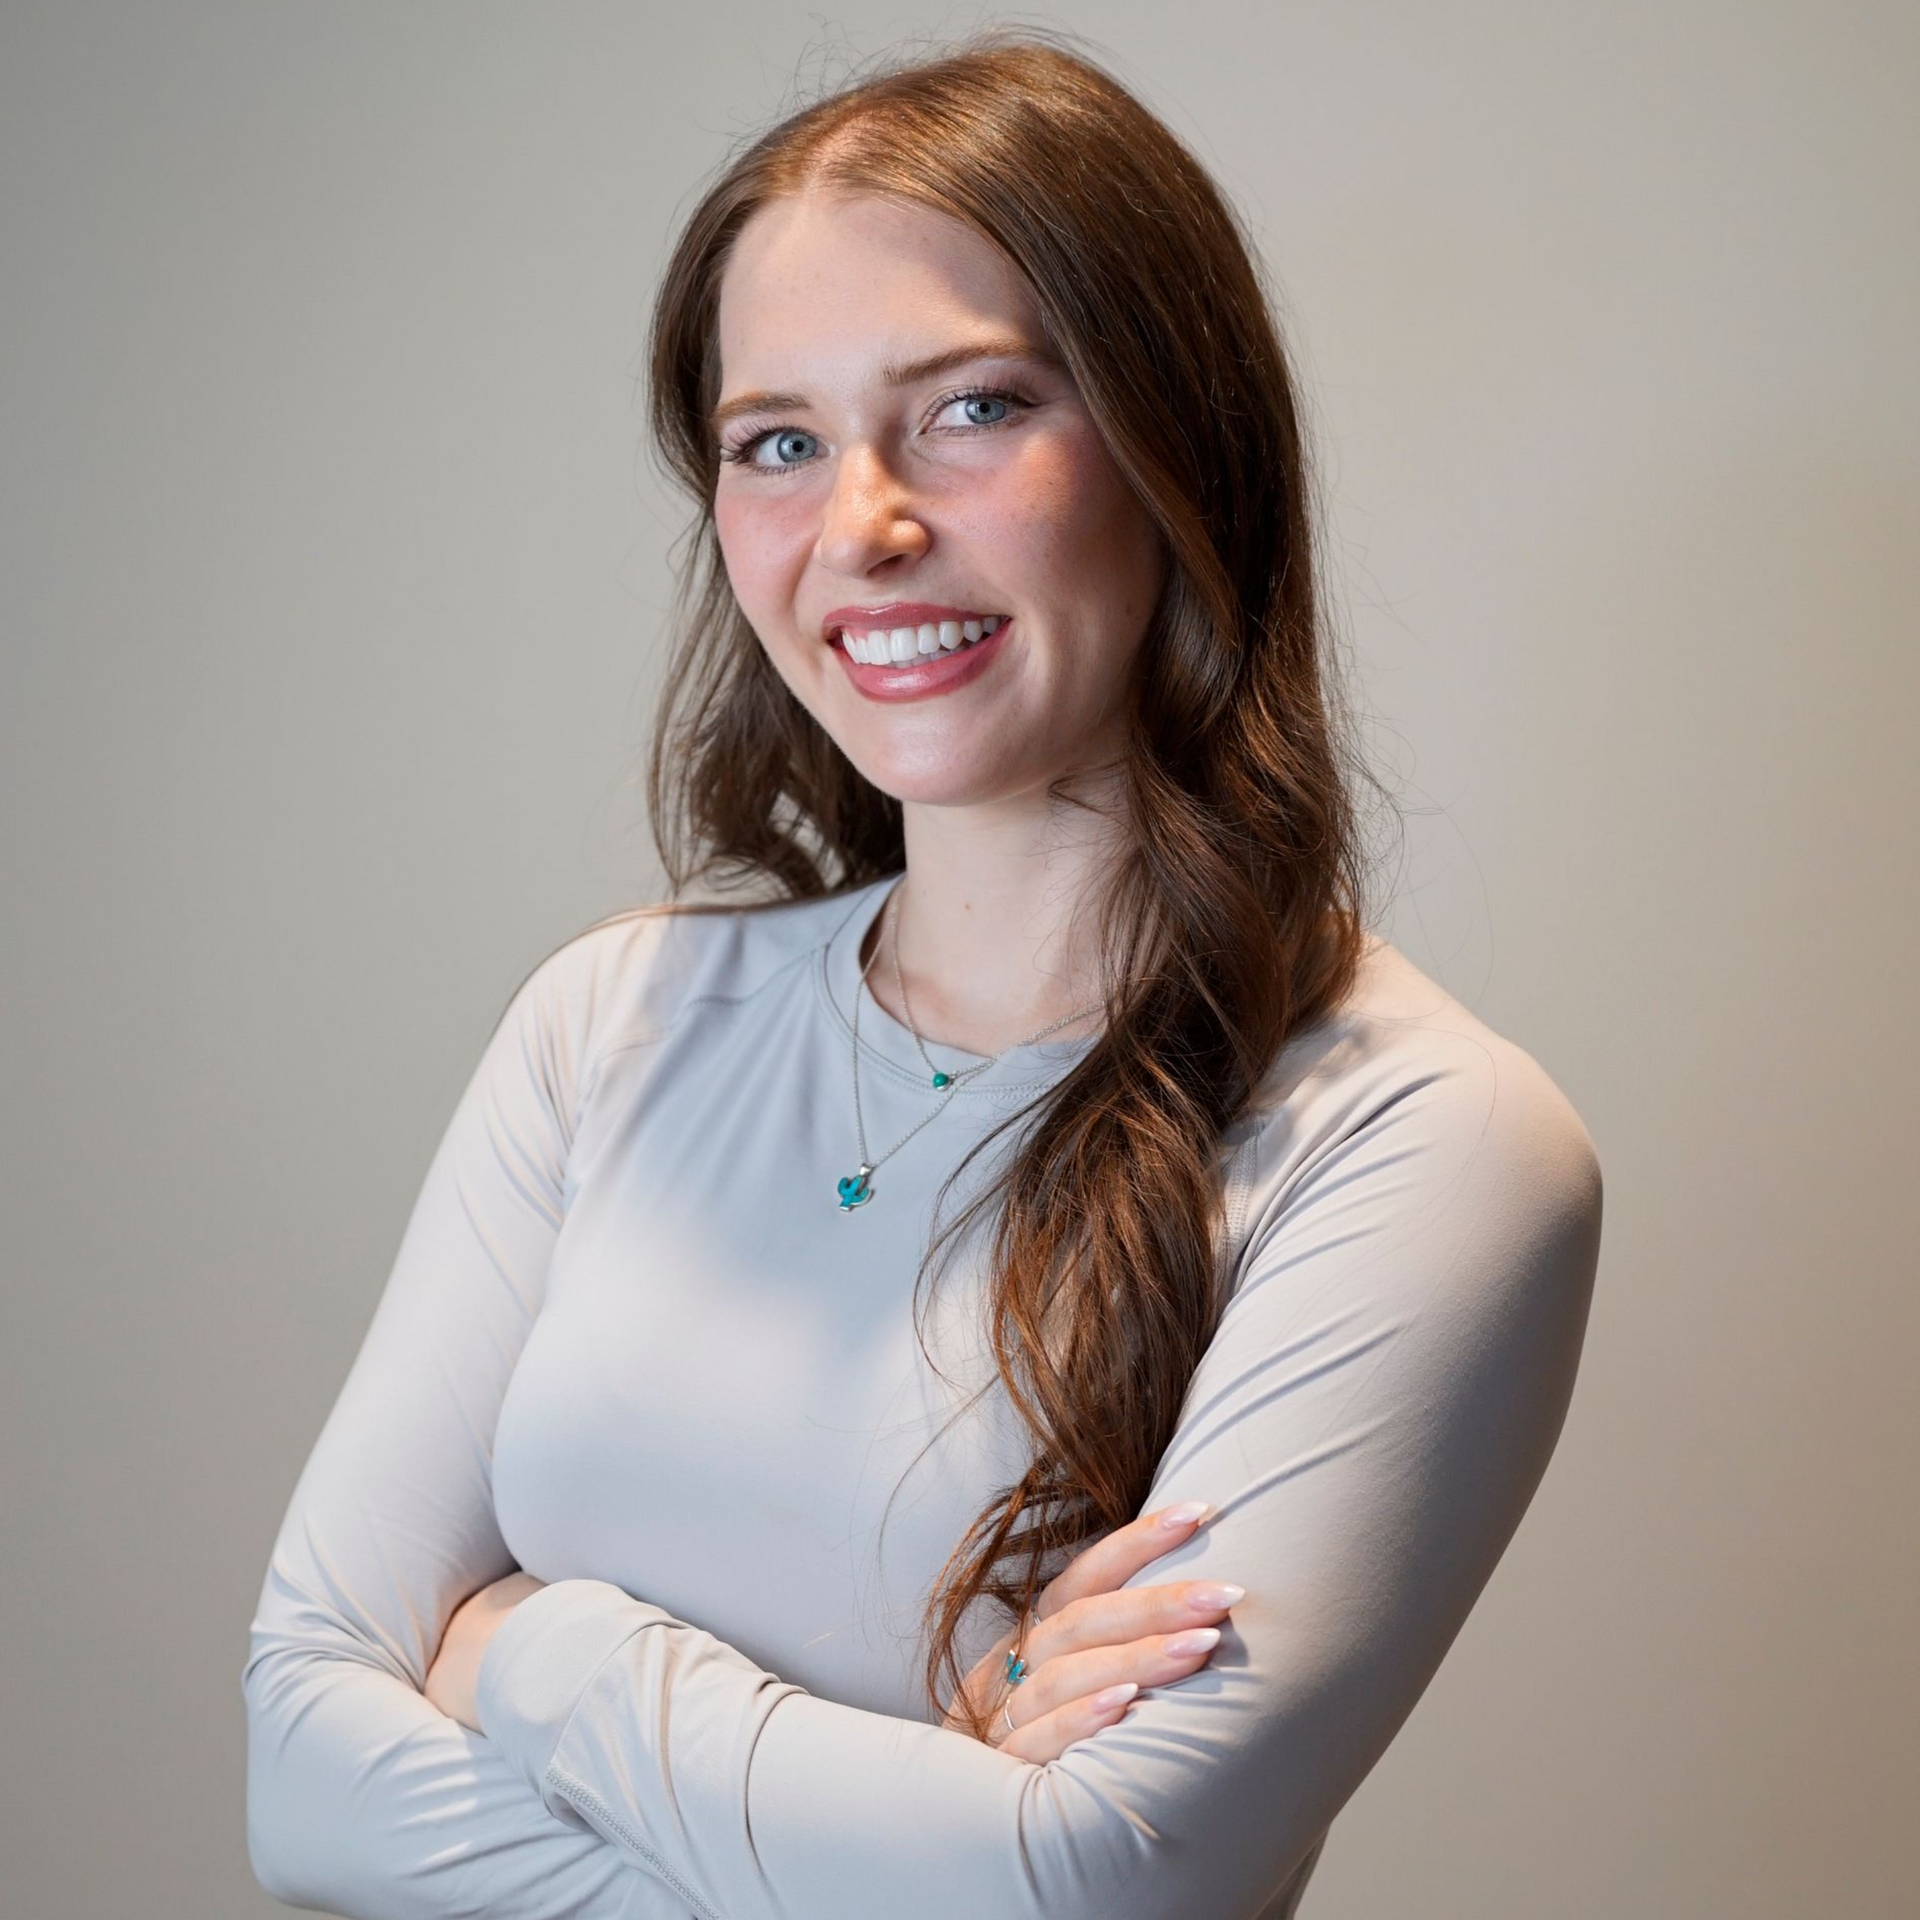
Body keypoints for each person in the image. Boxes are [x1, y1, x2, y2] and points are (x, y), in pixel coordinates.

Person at [242, 31, 1604, 1920]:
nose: (862, 526)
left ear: (1172, 441)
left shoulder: (1425, 1143)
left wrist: (529, 1655)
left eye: (971, 409)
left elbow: (1094, 1889)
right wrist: (920, 1792)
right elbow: (299, 1776)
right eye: (776, 442)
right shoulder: (609, 1026)